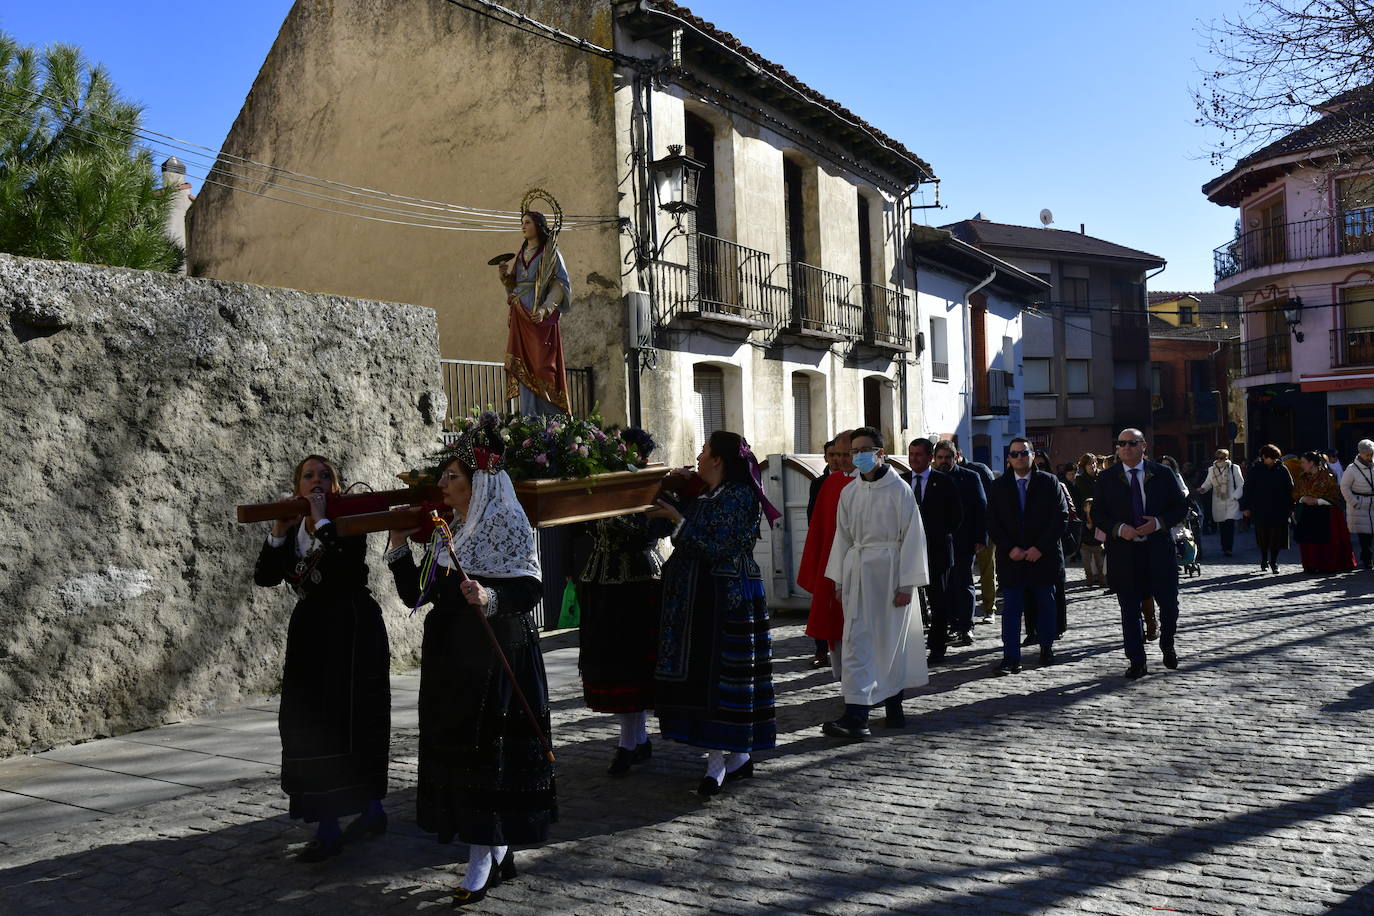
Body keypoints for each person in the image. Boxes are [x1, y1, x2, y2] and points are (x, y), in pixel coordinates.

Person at [387, 419, 555, 905]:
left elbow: (529, 588)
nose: (442, 485)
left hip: (496, 656)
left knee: (487, 756)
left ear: (478, 482)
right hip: (450, 658)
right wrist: (398, 544)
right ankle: (496, 846)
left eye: (451, 477)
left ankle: (481, 857)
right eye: (443, 478)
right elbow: (416, 595)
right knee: (459, 752)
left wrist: (489, 594)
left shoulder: (508, 522)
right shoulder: (451, 531)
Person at [253, 456, 391, 862]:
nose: (317, 482)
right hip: (312, 631)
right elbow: (266, 577)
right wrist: (278, 532)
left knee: (352, 720)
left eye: (325, 476)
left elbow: (346, 568)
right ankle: (331, 818)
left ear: (337, 485)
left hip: (352, 629)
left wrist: (323, 523)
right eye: (308, 476)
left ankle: (364, 812)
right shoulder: (292, 526)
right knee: (307, 722)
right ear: (297, 486)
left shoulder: (351, 517)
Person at [647, 431, 777, 795]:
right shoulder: (703, 494)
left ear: (718, 459)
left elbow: (722, 546)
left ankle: (723, 760)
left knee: (722, 677)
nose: (699, 457)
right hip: (697, 599)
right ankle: (731, 758)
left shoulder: (741, 496)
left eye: (704, 451)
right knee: (703, 677)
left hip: (727, 596)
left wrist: (678, 520)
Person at [822, 427, 929, 739]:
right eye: (854, 451)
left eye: (864, 450)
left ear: (881, 453)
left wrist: (906, 585)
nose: (858, 456)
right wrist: (840, 580)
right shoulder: (849, 491)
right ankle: (856, 716)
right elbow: (842, 537)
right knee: (857, 643)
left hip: (890, 574)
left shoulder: (899, 490)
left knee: (890, 643)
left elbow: (913, 537)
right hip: (858, 574)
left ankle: (894, 708)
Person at [575, 510, 668, 776]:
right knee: (612, 663)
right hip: (601, 584)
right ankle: (636, 739)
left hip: (637, 582)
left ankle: (630, 741)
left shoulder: (646, 489)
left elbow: (655, 529)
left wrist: (612, 508)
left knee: (633, 663)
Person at [1092, 429, 1188, 678]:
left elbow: (1180, 507)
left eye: (1132, 443)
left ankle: (1167, 643)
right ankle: (1136, 660)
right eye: (1121, 443)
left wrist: (1157, 523)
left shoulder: (1162, 474)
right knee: (1129, 609)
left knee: (1169, 605)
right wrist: (1119, 528)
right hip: (1125, 554)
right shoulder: (1107, 477)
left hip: (1158, 551)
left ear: (1143, 446)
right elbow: (1098, 515)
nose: (1126, 447)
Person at [985, 438, 1068, 674]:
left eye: (1024, 453)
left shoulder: (1049, 482)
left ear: (1032, 455)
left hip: (1043, 557)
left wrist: (1039, 548)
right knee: (1011, 608)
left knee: (1045, 604)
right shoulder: (999, 486)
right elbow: (992, 520)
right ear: (1009, 459)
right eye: (1015, 454)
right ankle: (1011, 656)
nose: (1020, 457)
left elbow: (1060, 518)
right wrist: (1010, 547)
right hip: (1012, 559)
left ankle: (1046, 648)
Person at [499, 210, 571, 415]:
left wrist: (545, 309)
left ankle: (551, 421)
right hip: (521, 315)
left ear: (538, 226)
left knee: (542, 367)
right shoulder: (521, 254)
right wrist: (505, 280)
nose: (523, 226)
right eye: (522, 222)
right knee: (523, 367)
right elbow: (515, 286)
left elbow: (560, 284)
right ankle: (529, 417)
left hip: (539, 318)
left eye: (527, 222)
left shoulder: (550, 253)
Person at [903, 437, 963, 665]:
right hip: (908, 552)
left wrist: (935, 533)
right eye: (911, 454)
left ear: (930, 457)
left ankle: (937, 647)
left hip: (937, 551)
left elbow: (956, 516)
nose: (914, 459)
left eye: (919, 455)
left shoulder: (944, 482)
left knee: (938, 601)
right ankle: (911, 645)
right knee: (909, 602)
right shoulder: (902, 482)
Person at [799, 431, 855, 671]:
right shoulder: (829, 484)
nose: (840, 460)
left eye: (846, 454)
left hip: (869, 564)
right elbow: (819, 525)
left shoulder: (885, 483)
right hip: (834, 563)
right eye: (836, 454)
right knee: (834, 621)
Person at [932, 439, 987, 649]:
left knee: (963, 583)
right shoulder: (932, 479)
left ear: (956, 457)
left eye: (948, 457)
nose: (944, 461)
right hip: (938, 542)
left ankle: (966, 626)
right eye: (940, 458)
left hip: (964, 541)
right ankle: (951, 624)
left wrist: (981, 538)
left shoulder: (970, 477)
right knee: (944, 587)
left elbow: (981, 508)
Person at [1292, 451, 1356, 574]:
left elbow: (1335, 496)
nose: (1301, 465)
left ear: (1312, 463)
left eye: (1304, 462)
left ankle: (1325, 565)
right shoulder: (1302, 477)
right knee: (1308, 540)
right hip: (1308, 512)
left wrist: (1318, 501)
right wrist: (1303, 499)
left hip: (1325, 512)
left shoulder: (1328, 476)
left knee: (1325, 539)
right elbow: (1296, 492)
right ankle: (1311, 565)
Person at [955, 444, 997, 620]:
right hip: (961, 531)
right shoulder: (945, 473)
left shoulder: (979, 470)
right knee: (963, 573)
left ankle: (989, 608)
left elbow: (991, 499)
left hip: (984, 527)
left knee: (986, 569)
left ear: (957, 455)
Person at [1240, 444, 1294, 573]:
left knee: (1277, 536)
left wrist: (1291, 506)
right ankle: (1264, 559)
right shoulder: (1255, 470)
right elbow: (1247, 489)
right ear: (1264, 457)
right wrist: (1246, 507)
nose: (1274, 460)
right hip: (1260, 508)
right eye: (1271, 457)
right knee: (1263, 536)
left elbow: (1290, 488)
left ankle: (1274, 562)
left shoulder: (1282, 469)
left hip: (1279, 508)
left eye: (1275, 458)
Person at [1196, 449, 1244, 557]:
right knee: (1222, 525)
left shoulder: (1234, 468)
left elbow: (1241, 484)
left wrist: (1235, 496)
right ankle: (1224, 546)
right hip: (1218, 500)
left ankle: (1229, 548)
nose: (1219, 460)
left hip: (1231, 500)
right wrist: (1203, 488)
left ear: (1226, 458)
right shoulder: (1212, 469)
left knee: (1230, 524)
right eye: (1217, 458)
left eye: (1221, 458)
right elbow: (1208, 482)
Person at [1340, 439, 1374, 570]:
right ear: (1361, 453)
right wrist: (1354, 502)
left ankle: (1367, 557)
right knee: (1364, 536)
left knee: (1371, 535)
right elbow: (1344, 487)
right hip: (1359, 505)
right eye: (1367, 454)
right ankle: (1367, 559)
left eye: (1371, 454)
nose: (1370, 457)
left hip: (1372, 504)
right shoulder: (1351, 469)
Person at [1080, 497, 1106, 587]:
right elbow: (1087, 527)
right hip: (1085, 545)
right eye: (1087, 506)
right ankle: (1089, 580)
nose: (1089, 507)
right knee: (1086, 565)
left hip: (1097, 544)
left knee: (1100, 565)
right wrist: (1087, 514)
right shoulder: (1082, 517)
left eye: (1091, 506)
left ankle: (1102, 582)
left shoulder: (1098, 517)